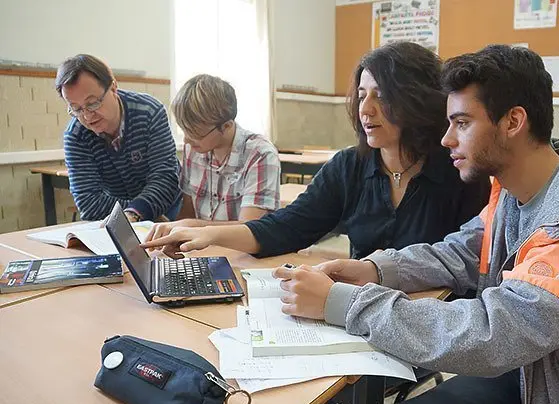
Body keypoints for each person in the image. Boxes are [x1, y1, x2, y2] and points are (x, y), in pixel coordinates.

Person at [270, 45, 559, 404]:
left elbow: (493, 333)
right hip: (532, 369)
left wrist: (346, 303)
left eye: (462, 123)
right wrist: (375, 270)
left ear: (512, 122)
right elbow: (461, 252)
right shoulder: (515, 190)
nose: (446, 139)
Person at [143, 42, 490, 261]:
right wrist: (205, 233)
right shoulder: (348, 168)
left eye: (381, 95)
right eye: (362, 94)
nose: (365, 110)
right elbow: (286, 227)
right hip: (359, 312)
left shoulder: (459, 171)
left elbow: (471, 266)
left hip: (427, 325)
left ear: (416, 99)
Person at [145, 74, 280, 234]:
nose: (187, 141)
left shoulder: (260, 154)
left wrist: (191, 226)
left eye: (196, 134)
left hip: (244, 254)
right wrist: (173, 231)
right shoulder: (194, 150)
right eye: (184, 131)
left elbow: (250, 229)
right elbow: (188, 211)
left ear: (227, 126)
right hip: (201, 251)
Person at [56, 54, 181, 222]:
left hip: (169, 209)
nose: (87, 116)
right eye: (76, 109)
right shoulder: (76, 135)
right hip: (123, 218)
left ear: (113, 87)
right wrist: (137, 212)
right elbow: (89, 202)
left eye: (93, 103)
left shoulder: (149, 112)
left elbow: (165, 177)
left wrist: (137, 212)